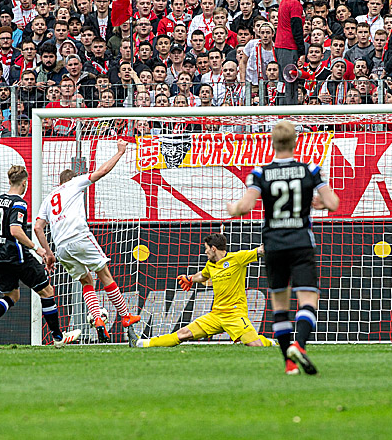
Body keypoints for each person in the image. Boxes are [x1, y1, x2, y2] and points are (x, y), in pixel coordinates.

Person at [226, 121, 339, 375]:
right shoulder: (310, 169)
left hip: (274, 244)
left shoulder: (259, 173)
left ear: (273, 142)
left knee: (279, 304)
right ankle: (299, 345)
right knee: (308, 300)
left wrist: (232, 209)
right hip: (301, 241)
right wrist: (321, 205)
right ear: (296, 141)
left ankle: (289, 364)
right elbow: (333, 202)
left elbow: (244, 207)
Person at [34, 141, 142, 345]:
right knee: (104, 274)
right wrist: (119, 152)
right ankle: (126, 315)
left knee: (86, 281)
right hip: (79, 236)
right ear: (72, 179)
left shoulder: (48, 198)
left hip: (61, 247)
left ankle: (98, 319)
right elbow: (101, 171)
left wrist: (49, 254)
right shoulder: (75, 184)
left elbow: (38, 228)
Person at [0, 165, 79, 350]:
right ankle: (58, 337)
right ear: (24, 183)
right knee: (47, 292)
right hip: (18, 257)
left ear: (9, 181)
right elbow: (15, 231)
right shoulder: (19, 203)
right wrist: (37, 249)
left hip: (1, 258)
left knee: (12, 295)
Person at [138, 233, 273, 348]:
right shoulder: (210, 265)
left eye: (206, 249)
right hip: (216, 315)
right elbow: (203, 275)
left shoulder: (237, 258)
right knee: (184, 333)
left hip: (235, 315)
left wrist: (275, 240)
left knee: (256, 346)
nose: (205, 252)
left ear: (213, 248)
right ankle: (144, 343)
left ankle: (270, 342)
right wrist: (190, 278)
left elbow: (259, 251)